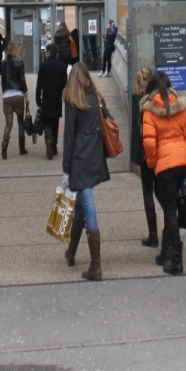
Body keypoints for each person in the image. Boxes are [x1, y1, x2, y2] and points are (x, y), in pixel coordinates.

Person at [141, 70, 186, 274]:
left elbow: (149, 142)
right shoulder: (180, 107)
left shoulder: (149, 110)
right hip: (182, 161)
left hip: (165, 165)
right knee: (170, 207)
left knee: (169, 210)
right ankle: (166, 251)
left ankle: (176, 258)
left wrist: (154, 163)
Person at [62, 63, 111, 281]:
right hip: (95, 153)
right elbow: (108, 119)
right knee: (81, 204)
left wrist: (65, 169)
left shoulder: (73, 101)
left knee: (87, 203)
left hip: (80, 156)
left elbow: (69, 136)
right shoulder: (96, 97)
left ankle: (96, 266)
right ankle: (71, 252)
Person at [131, 66, 158, 247]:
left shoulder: (136, 99)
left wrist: (135, 155)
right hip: (159, 151)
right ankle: (170, 228)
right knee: (163, 194)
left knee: (147, 193)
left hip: (144, 153)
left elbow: (136, 130)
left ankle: (153, 233)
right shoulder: (158, 99)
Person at [36, 42, 68, 160]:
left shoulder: (43, 66)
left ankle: (48, 139)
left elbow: (39, 84)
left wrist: (38, 98)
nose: (45, 54)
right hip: (57, 98)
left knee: (47, 121)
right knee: (55, 121)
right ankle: (54, 147)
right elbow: (65, 83)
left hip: (47, 97)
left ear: (49, 52)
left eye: (46, 52)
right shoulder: (62, 66)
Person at [0, 40, 29, 159]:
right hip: (18, 94)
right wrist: (26, 95)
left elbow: (2, 80)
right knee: (20, 122)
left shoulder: (3, 63)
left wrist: (4, 92)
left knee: (8, 124)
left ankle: (4, 146)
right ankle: (21, 148)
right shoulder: (19, 62)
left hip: (7, 95)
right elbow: (22, 80)